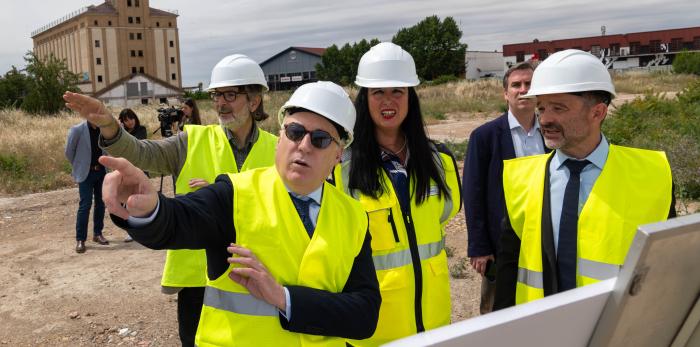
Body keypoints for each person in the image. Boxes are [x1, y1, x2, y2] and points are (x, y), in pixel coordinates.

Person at [100, 81, 381, 346]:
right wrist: (150, 208)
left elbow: (365, 315)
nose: (304, 145)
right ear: (281, 136)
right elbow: (177, 220)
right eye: (295, 132)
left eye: (320, 139)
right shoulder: (234, 195)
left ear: (338, 154)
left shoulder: (353, 216)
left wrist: (283, 298)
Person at [63, 53, 277, 347]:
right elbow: (142, 153)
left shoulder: (279, 150)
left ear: (254, 101)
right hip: (197, 279)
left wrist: (228, 197)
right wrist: (110, 127)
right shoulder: (192, 141)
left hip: (261, 274)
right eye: (216, 95)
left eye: (230, 94)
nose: (220, 103)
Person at [494, 49, 676, 309]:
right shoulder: (521, 178)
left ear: (598, 113)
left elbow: (667, 265)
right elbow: (509, 266)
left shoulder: (652, 174)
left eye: (558, 108)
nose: (545, 119)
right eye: (542, 108)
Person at [332, 42, 461, 346]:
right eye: (378, 92)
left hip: (434, 325)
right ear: (364, 99)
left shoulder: (438, 160)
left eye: (397, 91)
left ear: (410, 97)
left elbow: (446, 213)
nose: (388, 101)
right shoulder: (341, 167)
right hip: (374, 332)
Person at [462, 61, 549, 314]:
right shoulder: (485, 137)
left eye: (528, 84)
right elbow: (473, 193)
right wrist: (479, 247)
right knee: (498, 311)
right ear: (505, 93)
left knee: (541, 305)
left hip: (542, 236)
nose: (522, 90)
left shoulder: (551, 132)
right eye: (516, 85)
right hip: (502, 242)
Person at [64, 120, 110, 253]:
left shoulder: (103, 129)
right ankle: (80, 239)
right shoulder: (77, 129)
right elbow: (69, 151)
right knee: (85, 205)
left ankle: (97, 233)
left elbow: (107, 147)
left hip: (101, 171)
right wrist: (79, 165)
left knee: (101, 203)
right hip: (86, 173)